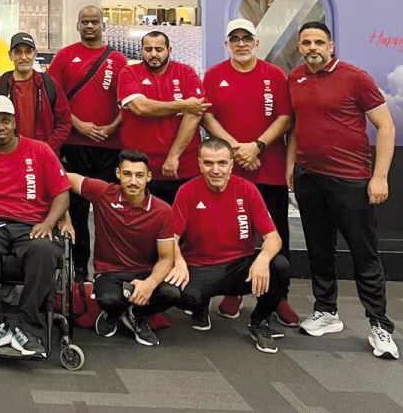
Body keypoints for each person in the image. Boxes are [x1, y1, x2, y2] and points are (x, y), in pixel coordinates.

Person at [287, 21, 399, 359]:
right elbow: (296, 126)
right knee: (319, 249)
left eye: (318, 42)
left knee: (364, 254)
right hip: (309, 177)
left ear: (331, 46)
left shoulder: (355, 77)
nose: (312, 48)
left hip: (350, 180)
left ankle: (379, 325)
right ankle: (326, 311)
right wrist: (291, 166)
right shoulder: (296, 77)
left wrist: (380, 177)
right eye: (306, 42)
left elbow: (386, 126)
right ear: (300, 46)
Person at [0, 95, 71, 357]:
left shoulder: (40, 150)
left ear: (14, 122)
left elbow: (62, 193)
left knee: (44, 249)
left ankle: (28, 328)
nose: (1, 127)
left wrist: (49, 223)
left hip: (31, 224)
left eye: (5, 121)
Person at [201, 18, 297, 326]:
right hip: (229, 171)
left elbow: (284, 118)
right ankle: (235, 291)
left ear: (257, 43)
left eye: (246, 38)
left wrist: (257, 146)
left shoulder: (275, 75)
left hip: (269, 169)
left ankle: (279, 297)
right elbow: (207, 117)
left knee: (276, 233)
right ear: (227, 44)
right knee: (235, 234)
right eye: (235, 39)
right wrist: (236, 149)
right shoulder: (214, 75)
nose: (241, 44)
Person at [168, 138, 290, 354]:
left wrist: (262, 259)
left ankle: (259, 322)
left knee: (279, 266)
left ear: (231, 165)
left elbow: (274, 238)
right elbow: (171, 238)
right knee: (176, 294)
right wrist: (178, 261)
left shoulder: (247, 189)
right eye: (209, 163)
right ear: (200, 164)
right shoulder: (187, 191)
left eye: (222, 163)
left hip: (238, 268)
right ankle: (200, 305)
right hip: (200, 267)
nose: (216, 170)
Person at [64, 149, 179, 347]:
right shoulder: (103, 193)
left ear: (148, 177)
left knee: (172, 294)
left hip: (146, 271)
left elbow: (167, 258)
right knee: (109, 300)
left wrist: (149, 284)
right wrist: (63, 217)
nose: (133, 181)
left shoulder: (163, 211)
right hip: (110, 271)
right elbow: (61, 178)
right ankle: (112, 315)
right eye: (127, 174)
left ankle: (137, 314)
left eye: (139, 175)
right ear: (118, 174)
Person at [48, 5, 128, 281]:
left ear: (103, 25)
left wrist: (112, 127)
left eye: (95, 22)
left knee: (110, 212)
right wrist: (79, 125)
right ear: (78, 25)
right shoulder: (64, 56)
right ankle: (80, 271)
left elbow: (128, 101)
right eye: (85, 22)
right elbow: (54, 99)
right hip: (73, 147)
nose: (90, 26)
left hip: (110, 148)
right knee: (77, 212)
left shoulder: (118, 60)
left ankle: (108, 271)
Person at [117, 30, 209, 204]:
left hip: (182, 167)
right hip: (139, 169)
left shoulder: (186, 72)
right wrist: (183, 105)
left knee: (182, 218)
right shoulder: (129, 72)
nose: (153, 54)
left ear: (169, 50)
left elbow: (194, 115)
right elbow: (141, 107)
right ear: (141, 51)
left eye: (159, 49)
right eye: (148, 49)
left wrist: (173, 156)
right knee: (141, 218)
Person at [0, 31, 72, 156]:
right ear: (10, 55)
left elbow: (64, 123)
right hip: (8, 157)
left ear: (35, 54)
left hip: (44, 157)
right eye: (18, 52)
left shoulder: (49, 85)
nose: (24, 57)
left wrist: (45, 149)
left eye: (28, 52)